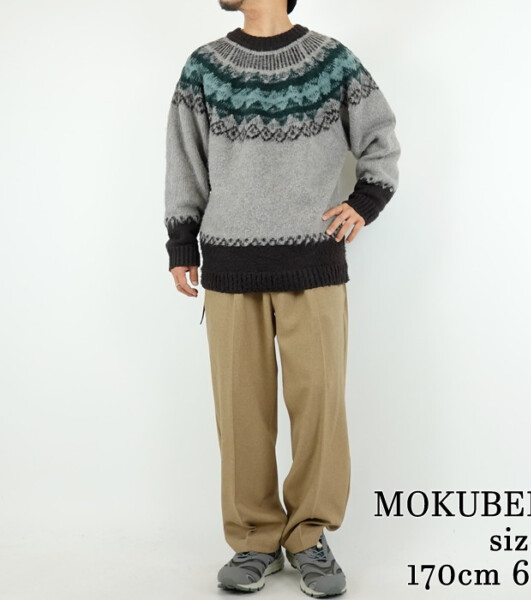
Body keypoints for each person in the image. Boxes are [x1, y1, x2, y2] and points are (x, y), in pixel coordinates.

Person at [163, 0, 400, 596]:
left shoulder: (332, 61)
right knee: (240, 409)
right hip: (229, 265)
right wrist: (181, 240)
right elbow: (185, 159)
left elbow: (380, 140)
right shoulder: (204, 67)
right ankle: (254, 539)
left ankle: (309, 535)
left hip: (313, 262)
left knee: (319, 405)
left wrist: (365, 202)